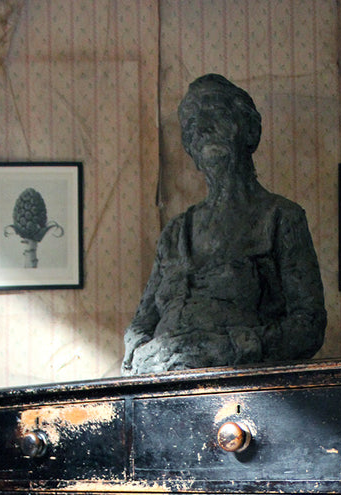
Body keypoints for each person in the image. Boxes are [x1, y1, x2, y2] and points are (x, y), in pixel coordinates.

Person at [122, 74, 326, 375]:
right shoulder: (175, 232)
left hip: (242, 389)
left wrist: (231, 347)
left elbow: (309, 325)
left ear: (250, 129)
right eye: (190, 122)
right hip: (162, 386)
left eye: (215, 112)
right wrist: (140, 352)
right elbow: (140, 324)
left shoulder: (280, 217)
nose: (201, 128)